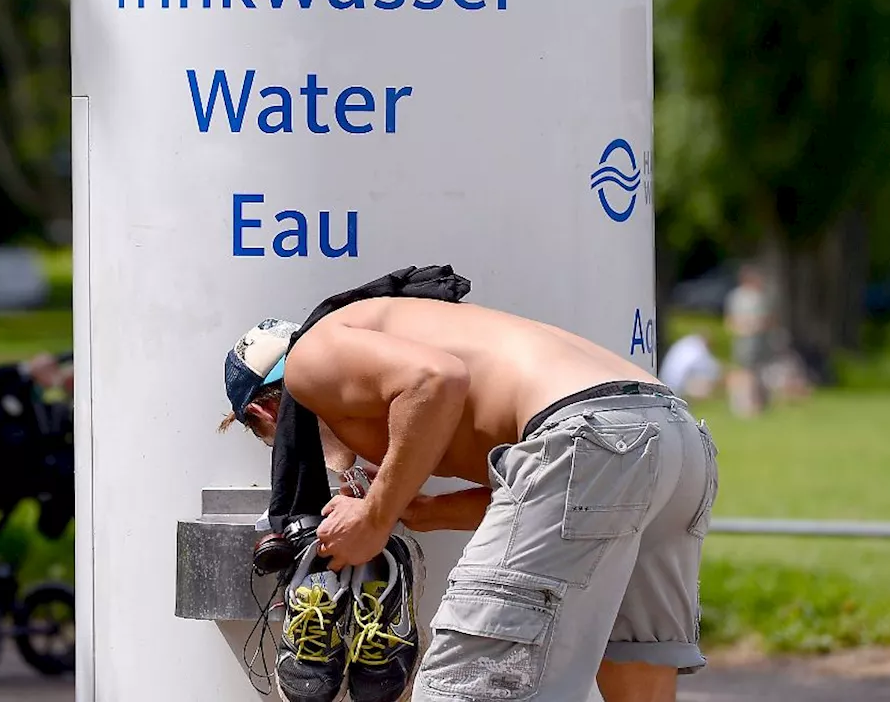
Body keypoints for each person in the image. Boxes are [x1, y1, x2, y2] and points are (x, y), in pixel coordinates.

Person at [221, 296, 720, 702]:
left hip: (587, 436)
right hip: (670, 433)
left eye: (269, 441)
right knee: (637, 677)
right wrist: (427, 511)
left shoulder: (312, 356)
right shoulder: (384, 332)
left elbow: (436, 380)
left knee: (461, 689)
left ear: (267, 415)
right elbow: (564, 494)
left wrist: (375, 519)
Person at [723, 264, 773, 417]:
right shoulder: (738, 297)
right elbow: (730, 321)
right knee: (744, 372)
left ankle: (754, 403)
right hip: (743, 340)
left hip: (757, 341)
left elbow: (766, 320)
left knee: (754, 372)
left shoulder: (758, 297)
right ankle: (744, 404)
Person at [658, 332, 721, 401]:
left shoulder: (686, 344)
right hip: (675, 384)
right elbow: (710, 367)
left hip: (665, 379)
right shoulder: (697, 349)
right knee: (707, 380)